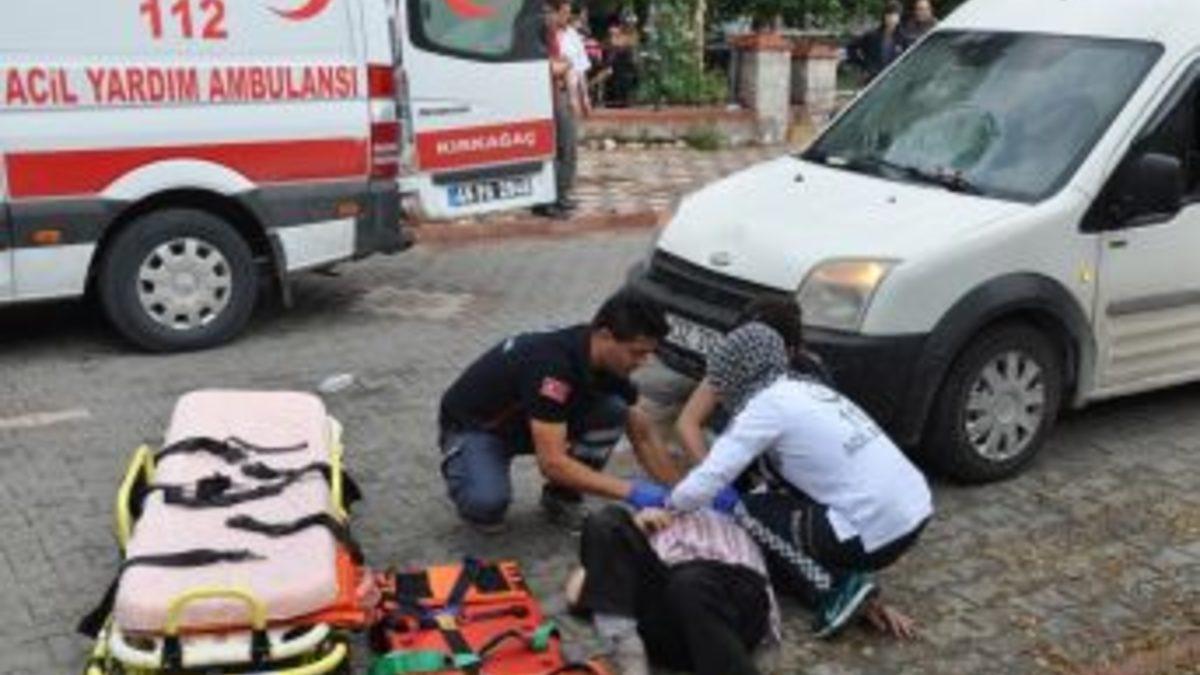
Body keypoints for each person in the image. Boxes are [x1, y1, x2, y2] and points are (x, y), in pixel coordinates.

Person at [666, 322, 934, 638]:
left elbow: (711, 477)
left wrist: (669, 506)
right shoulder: (807, 389)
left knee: (748, 510)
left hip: (874, 528)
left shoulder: (765, 406)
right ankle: (855, 587)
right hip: (913, 511)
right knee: (775, 520)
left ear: (737, 372)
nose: (720, 391)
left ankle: (836, 590)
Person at [438, 289, 682, 533]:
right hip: (479, 428)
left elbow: (642, 432)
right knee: (486, 504)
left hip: (533, 420)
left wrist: (679, 493)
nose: (643, 362)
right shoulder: (553, 365)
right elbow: (551, 463)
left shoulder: (604, 358)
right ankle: (463, 460)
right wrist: (632, 491)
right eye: (637, 352)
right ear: (605, 335)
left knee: (615, 411)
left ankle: (563, 497)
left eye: (649, 353)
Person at [568, 506, 776, 675]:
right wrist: (633, 531)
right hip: (671, 619)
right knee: (605, 521)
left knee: (690, 582)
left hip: (734, 605)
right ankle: (629, 661)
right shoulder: (645, 524)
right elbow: (575, 594)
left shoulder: (733, 513)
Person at [675, 297, 833, 467]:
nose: (748, 358)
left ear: (790, 351)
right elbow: (688, 422)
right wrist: (710, 470)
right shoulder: (736, 357)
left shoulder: (810, 382)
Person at [534, 0, 578, 219]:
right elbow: (548, 66)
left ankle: (558, 197)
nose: (567, 18)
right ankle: (551, 200)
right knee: (560, 149)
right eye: (565, 12)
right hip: (549, 96)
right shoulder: (543, 25)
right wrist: (566, 64)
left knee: (562, 148)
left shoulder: (546, 26)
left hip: (554, 94)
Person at [846, 1, 910, 82]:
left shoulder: (903, 39)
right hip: (873, 79)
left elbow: (908, 59)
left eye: (895, 16)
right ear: (884, 17)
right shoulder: (872, 35)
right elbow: (851, 48)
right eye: (889, 15)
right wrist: (863, 65)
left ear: (899, 18)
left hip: (893, 80)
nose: (892, 19)